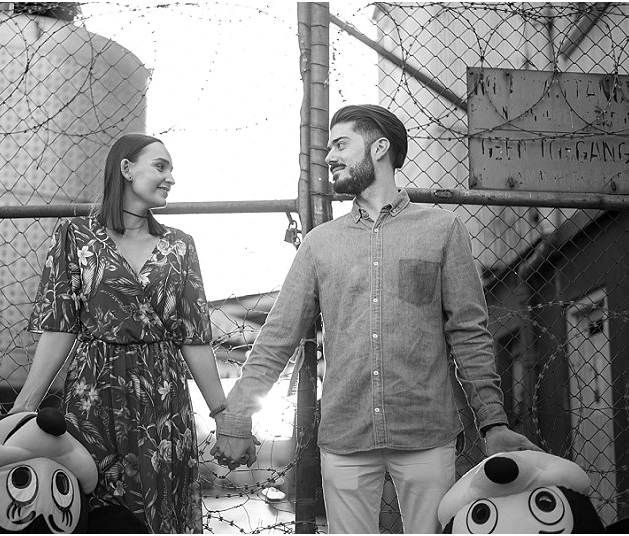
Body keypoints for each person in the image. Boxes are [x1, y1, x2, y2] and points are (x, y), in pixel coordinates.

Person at [211, 105, 541, 534]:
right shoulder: (319, 244)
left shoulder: (442, 230)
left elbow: (469, 334)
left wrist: (493, 422)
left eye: (340, 144)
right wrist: (238, 418)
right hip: (346, 435)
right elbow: (277, 337)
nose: (329, 157)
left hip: (426, 432)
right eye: (328, 147)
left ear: (379, 147)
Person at [11, 133, 228, 533]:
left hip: (162, 399)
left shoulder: (180, 246)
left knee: (160, 505)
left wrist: (223, 415)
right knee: (93, 500)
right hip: (94, 394)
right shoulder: (76, 236)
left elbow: (194, 338)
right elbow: (61, 327)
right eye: (160, 166)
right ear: (126, 169)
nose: (171, 178)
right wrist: (24, 406)